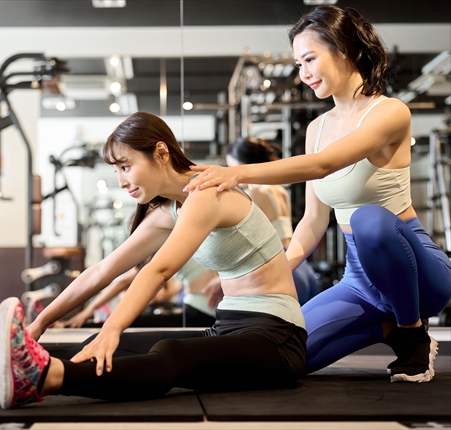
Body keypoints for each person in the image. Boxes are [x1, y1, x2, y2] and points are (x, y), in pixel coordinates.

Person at [0, 111, 307, 409]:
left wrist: (115, 327)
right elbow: (102, 271)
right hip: (230, 328)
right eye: (116, 170)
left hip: (276, 339)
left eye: (125, 166)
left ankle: (43, 379)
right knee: (103, 342)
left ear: (161, 153)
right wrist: (41, 322)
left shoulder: (206, 193)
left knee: (167, 352)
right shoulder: (167, 210)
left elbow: (160, 270)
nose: (121, 180)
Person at [184, 5, 451, 383]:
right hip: (359, 280)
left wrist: (237, 173)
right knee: (286, 355)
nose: (304, 73)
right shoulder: (317, 128)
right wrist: (268, 272)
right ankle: (388, 329)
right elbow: (312, 221)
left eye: (310, 58)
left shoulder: (390, 113)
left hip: (417, 273)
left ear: (345, 48)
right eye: (297, 64)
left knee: (368, 219)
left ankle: (412, 334)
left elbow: (323, 165)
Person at [227, 136, 319, 305]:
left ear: (244, 165)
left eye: (232, 167)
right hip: (301, 265)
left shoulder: (256, 193)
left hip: (279, 265)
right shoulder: (279, 189)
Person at [63, 258, 218, 329]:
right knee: (133, 321)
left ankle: (79, 325)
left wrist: (90, 310)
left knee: (133, 322)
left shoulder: (167, 245)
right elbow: (122, 282)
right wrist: (91, 309)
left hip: (202, 312)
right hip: (200, 308)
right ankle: (80, 324)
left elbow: (123, 282)